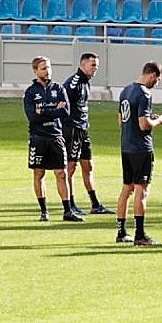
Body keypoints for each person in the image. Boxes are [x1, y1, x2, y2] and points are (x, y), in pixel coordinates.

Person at [115, 61, 162, 246]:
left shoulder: (126, 90)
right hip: (141, 148)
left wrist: (147, 118)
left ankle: (121, 231)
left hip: (126, 146)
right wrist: (159, 120)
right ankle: (139, 235)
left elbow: (121, 121)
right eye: (158, 79)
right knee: (141, 190)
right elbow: (143, 125)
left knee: (126, 189)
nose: (157, 83)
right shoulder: (144, 93)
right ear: (152, 75)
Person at [24, 56, 80, 223]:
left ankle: (67, 211)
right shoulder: (31, 92)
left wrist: (45, 111)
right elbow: (32, 117)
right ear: (35, 71)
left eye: (48, 67)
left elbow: (66, 112)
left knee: (61, 173)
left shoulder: (59, 88)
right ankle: (43, 210)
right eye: (43, 68)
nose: (47, 71)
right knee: (39, 173)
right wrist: (54, 109)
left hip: (56, 136)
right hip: (38, 137)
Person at [62, 52, 109, 215]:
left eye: (96, 65)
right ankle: (70, 204)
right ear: (82, 65)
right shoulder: (74, 83)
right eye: (93, 65)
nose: (95, 68)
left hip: (83, 129)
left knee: (88, 165)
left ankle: (95, 204)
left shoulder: (86, 82)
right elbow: (62, 104)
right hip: (73, 129)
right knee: (70, 166)